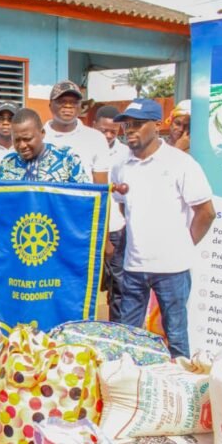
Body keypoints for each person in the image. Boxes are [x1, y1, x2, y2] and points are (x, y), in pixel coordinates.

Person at [111, 99, 215, 358]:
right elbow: (124, 208)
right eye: (127, 125)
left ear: (157, 125)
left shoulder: (180, 163)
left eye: (137, 124)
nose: (130, 130)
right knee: (127, 339)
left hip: (172, 270)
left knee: (176, 337)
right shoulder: (121, 166)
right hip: (134, 267)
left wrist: (183, 245)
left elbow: (206, 212)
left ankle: (181, 381)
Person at [93, 105, 129, 322]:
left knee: (119, 286)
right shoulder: (87, 146)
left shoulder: (126, 153)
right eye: (103, 130)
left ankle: (116, 329)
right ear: (94, 125)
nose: (107, 135)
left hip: (116, 228)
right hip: (88, 229)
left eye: (113, 132)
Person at [43, 80, 110, 184]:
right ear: (50, 105)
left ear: (80, 106)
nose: (68, 106)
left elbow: (101, 186)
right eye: (61, 101)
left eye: (74, 102)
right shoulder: (37, 138)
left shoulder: (96, 139)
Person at [0, 108, 88, 183]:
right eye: (17, 140)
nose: (22, 146)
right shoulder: (8, 162)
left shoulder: (67, 158)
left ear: (42, 133)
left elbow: (83, 195)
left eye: (27, 139)